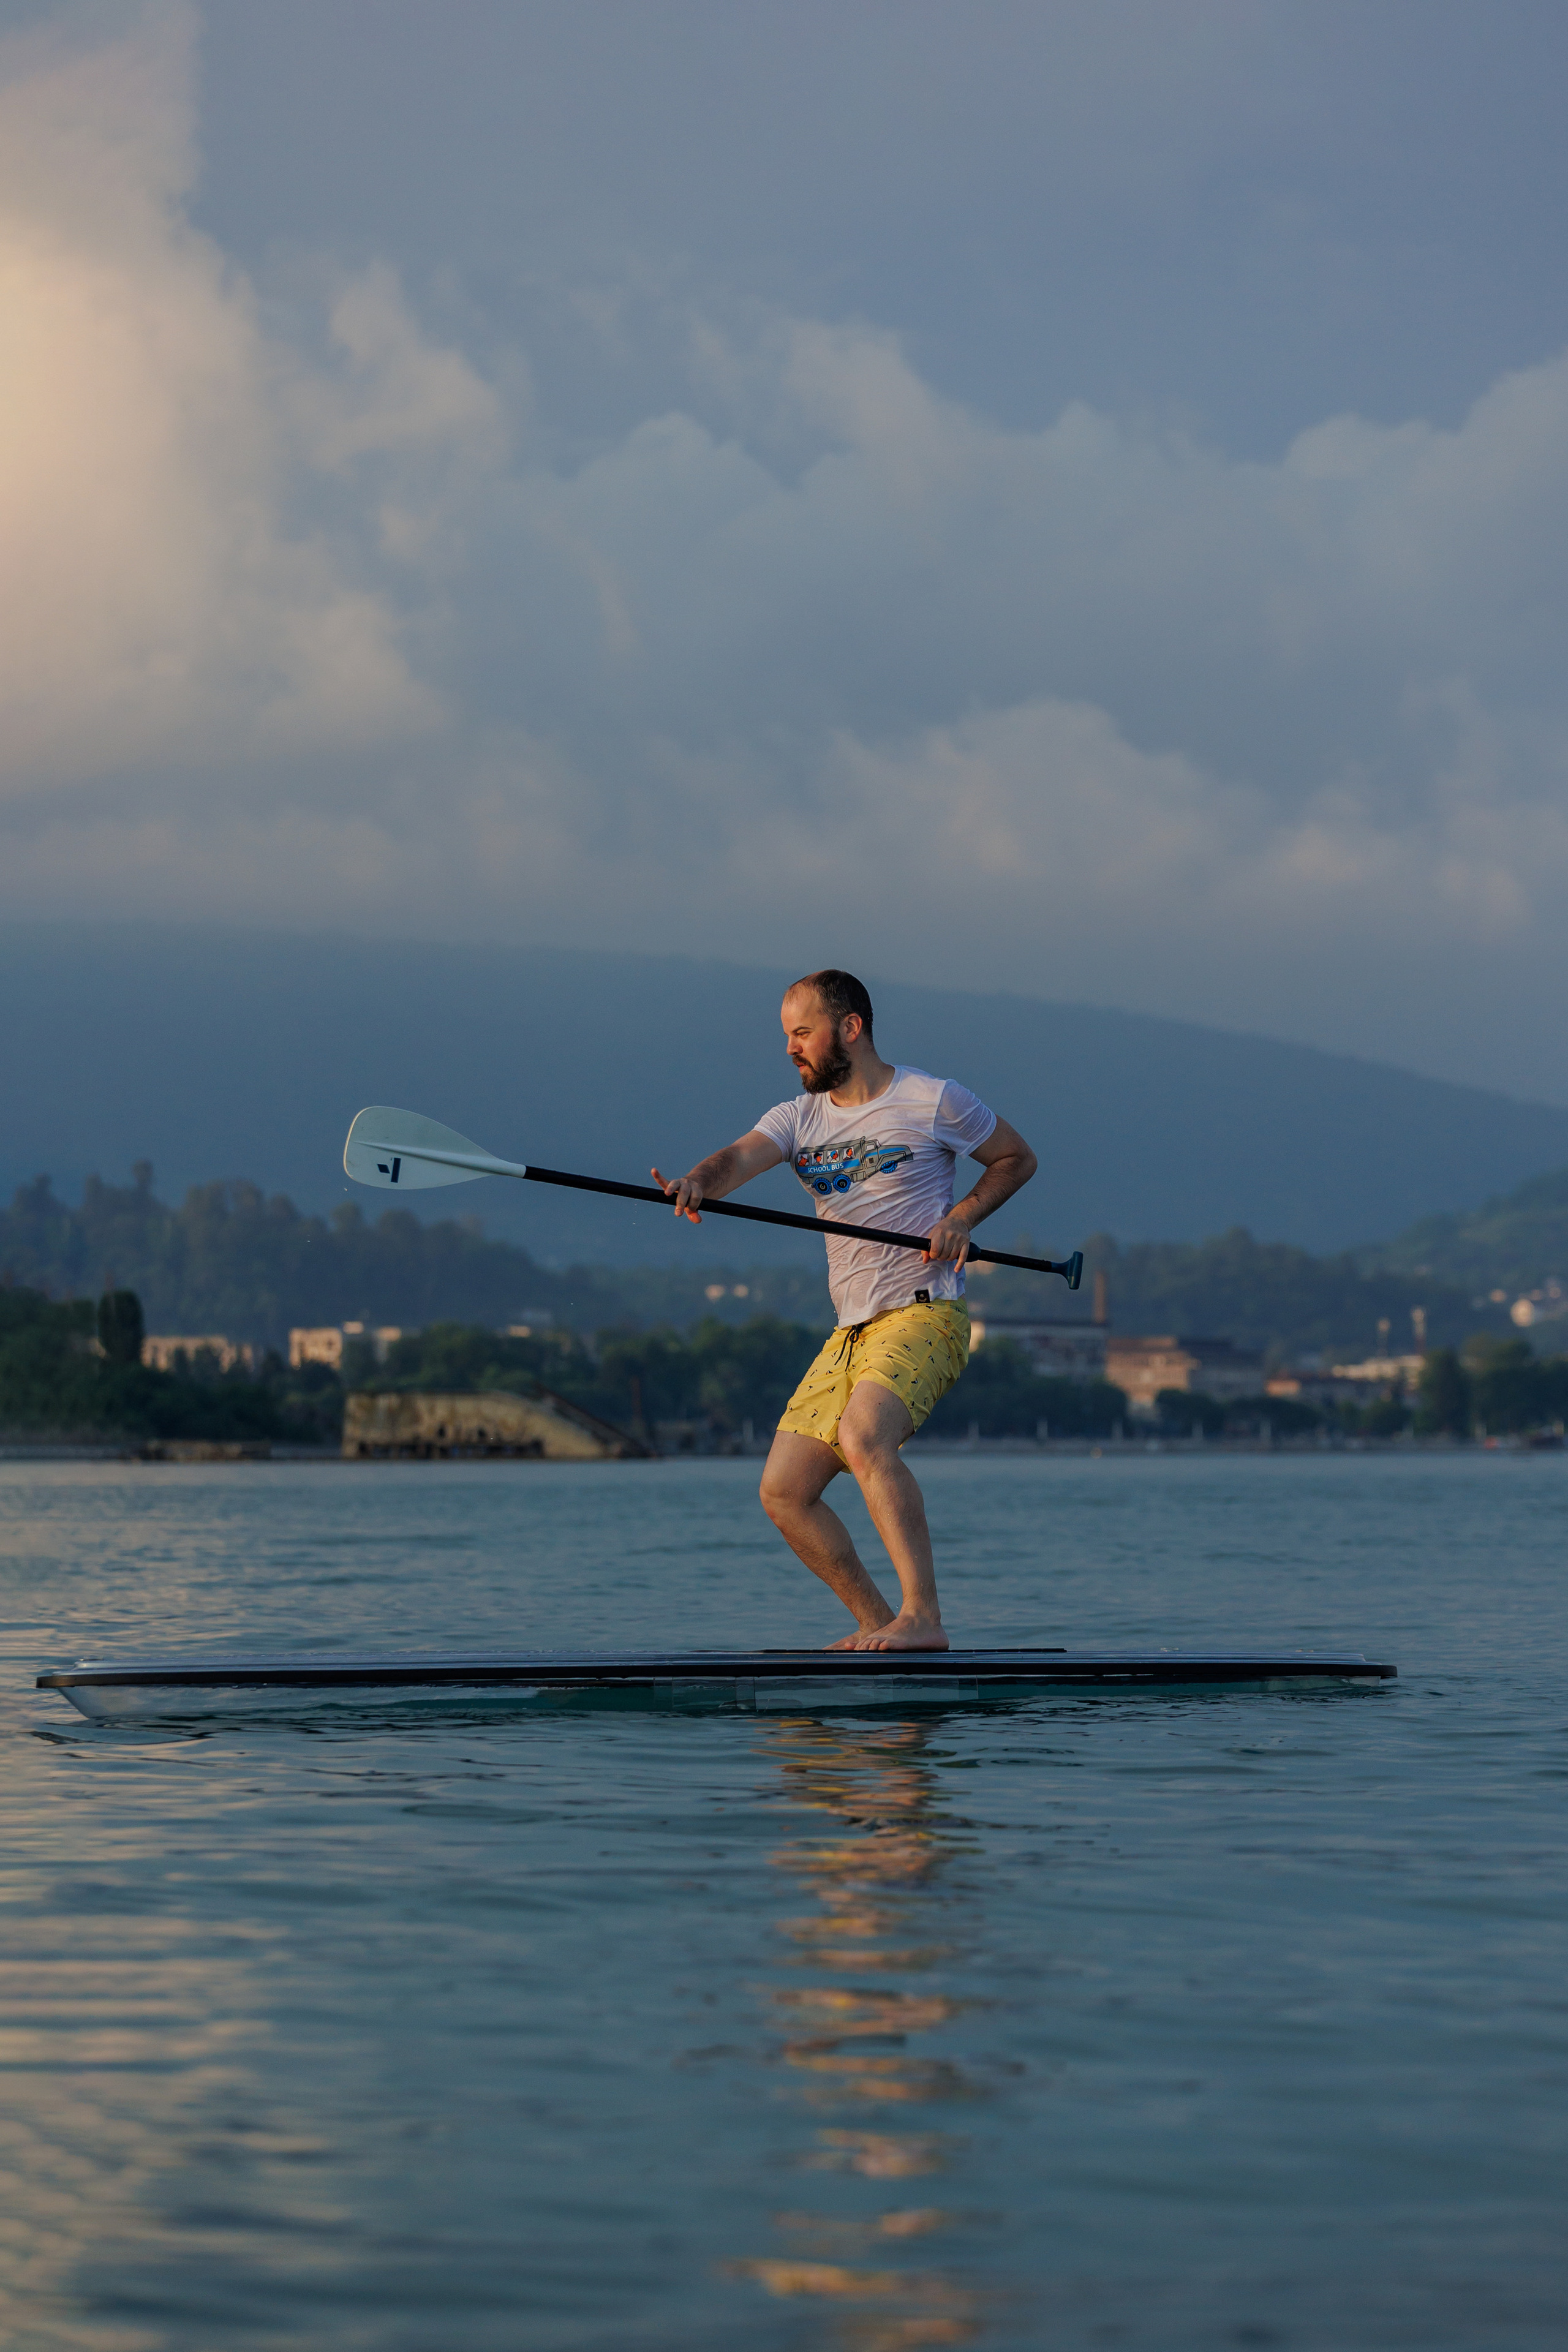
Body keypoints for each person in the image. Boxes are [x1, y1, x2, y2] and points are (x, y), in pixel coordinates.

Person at [653, 970, 1038, 1649]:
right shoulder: (797, 1118)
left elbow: (1014, 1157)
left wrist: (962, 1216)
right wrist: (697, 1183)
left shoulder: (932, 1099)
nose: (790, 1049)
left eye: (802, 1033)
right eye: (785, 1036)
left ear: (850, 1028)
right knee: (783, 1492)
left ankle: (923, 1618)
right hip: (849, 1334)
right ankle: (876, 1623)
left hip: (923, 1314)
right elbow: (736, 1159)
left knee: (864, 1439)